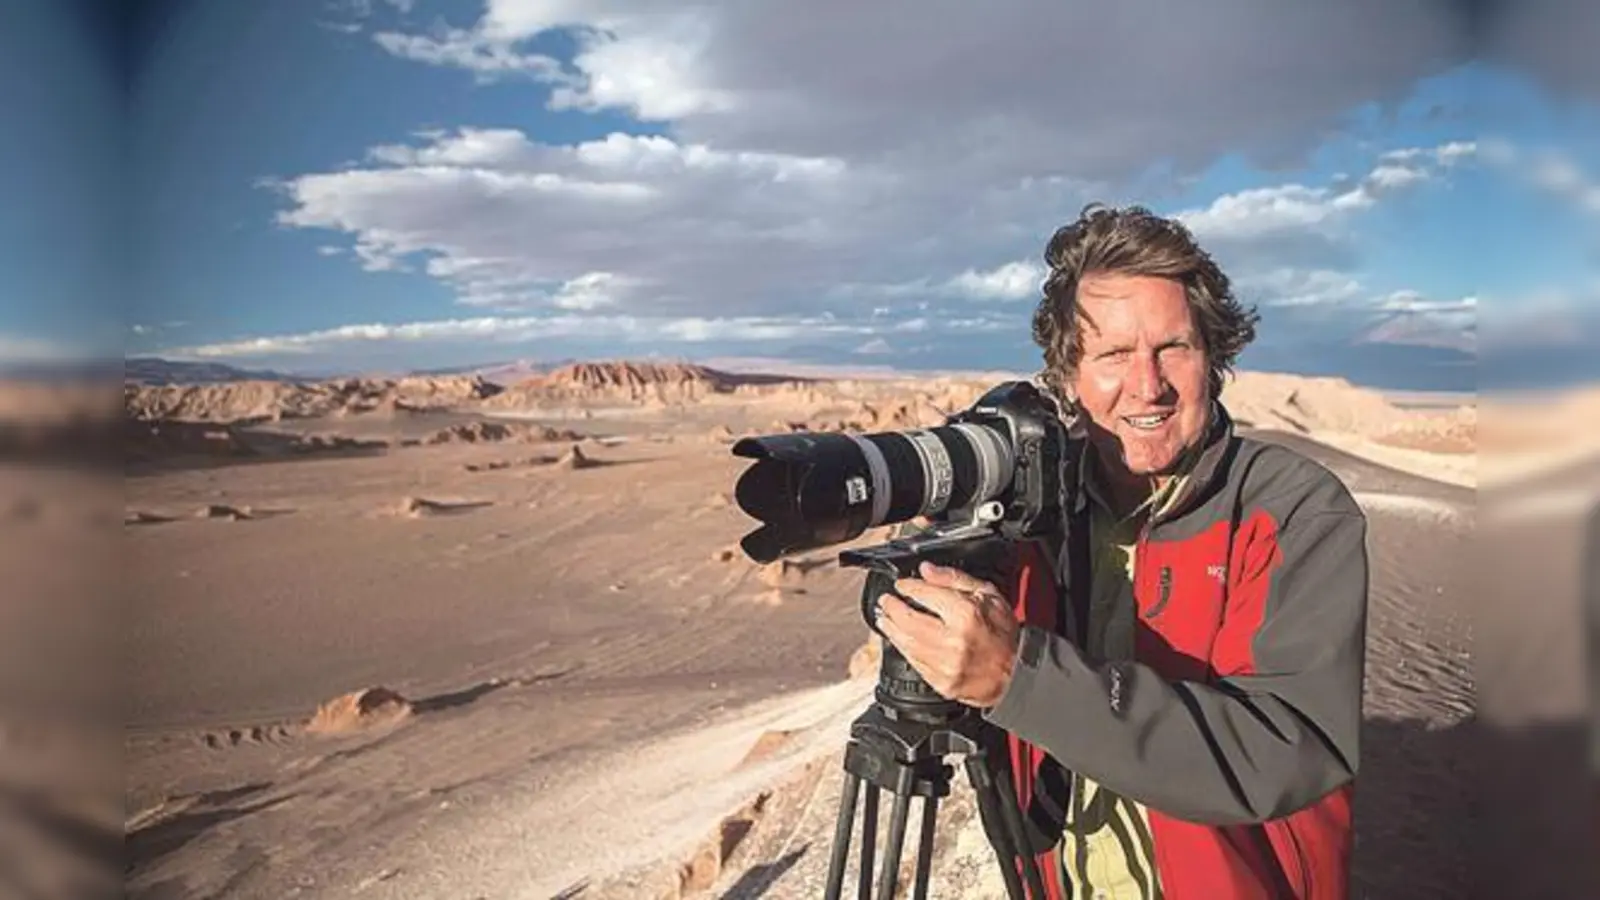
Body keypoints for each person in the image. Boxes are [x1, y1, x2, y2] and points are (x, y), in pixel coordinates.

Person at [875, 203, 1369, 899]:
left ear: (1215, 357)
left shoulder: (1292, 511)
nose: (1148, 385)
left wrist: (1021, 676)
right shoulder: (1033, 509)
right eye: (1112, 355)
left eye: (1174, 348)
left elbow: (1284, 751)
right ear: (1070, 374)